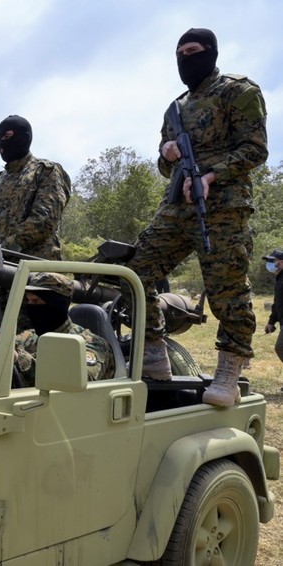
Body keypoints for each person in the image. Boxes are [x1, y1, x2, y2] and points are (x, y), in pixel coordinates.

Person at [127, 28, 267, 407]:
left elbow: (256, 149)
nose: (186, 59)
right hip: (176, 208)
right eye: (180, 54)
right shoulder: (175, 108)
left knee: (227, 291)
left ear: (211, 53)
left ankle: (229, 371)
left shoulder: (238, 91)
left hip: (223, 207)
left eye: (193, 51)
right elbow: (163, 166)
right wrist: (167, 152)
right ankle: (153, 351)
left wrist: (211, 175)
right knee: (134, 272)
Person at [0, 115, 71, 322]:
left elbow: (44, 220)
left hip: (37, 279)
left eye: (8, 136)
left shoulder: (45, 171)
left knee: (34, 336)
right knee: (0, 333)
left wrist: (4, 249)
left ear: (25, 137)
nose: (2, 143)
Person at [0, 272, 115, 385]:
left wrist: (18, 359)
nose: (31, 307)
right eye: (29, 301)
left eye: (36, 301)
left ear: (57, 305)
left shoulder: (91, 344)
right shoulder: (28, 337)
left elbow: (77, 381)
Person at [262, 250, 283, 364]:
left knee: (280, 347)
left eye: (272, 261)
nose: (269, 264)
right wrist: (271, 322)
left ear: (281, 262)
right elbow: (277, 303)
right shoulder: (279, 278)